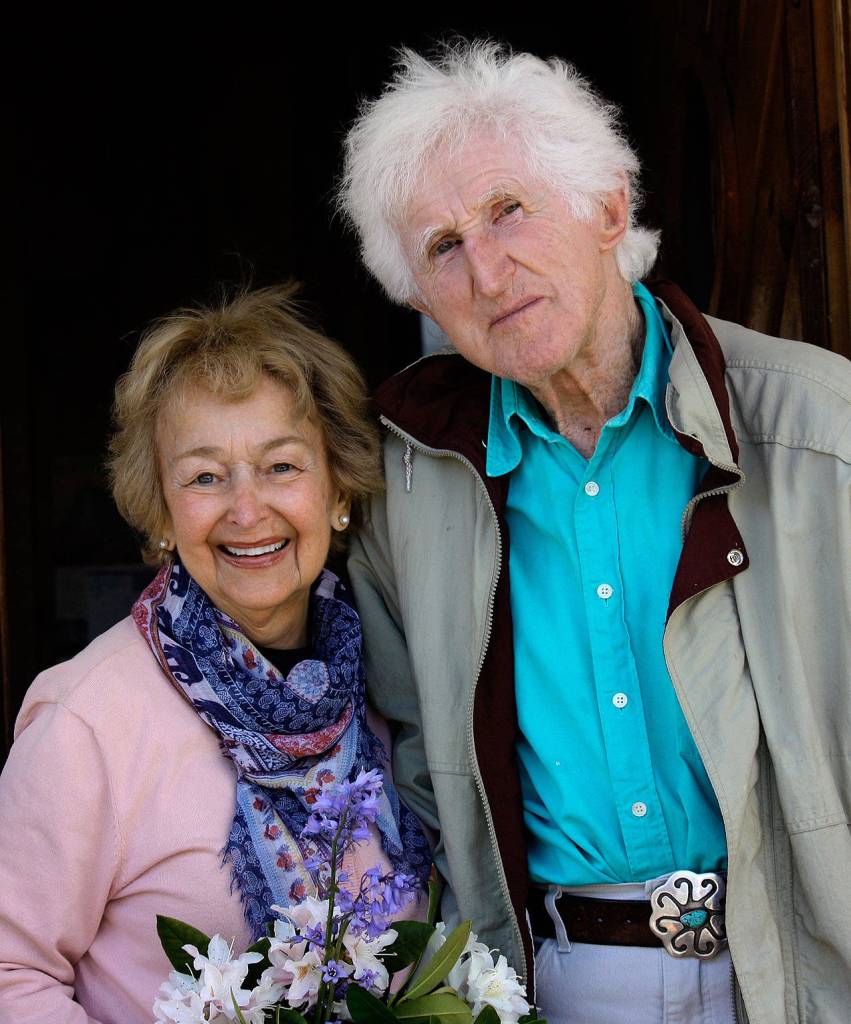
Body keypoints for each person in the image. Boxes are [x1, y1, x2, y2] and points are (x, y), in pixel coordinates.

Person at [338, 40, 851, 1024]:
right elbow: (408, 774)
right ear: (416, 296)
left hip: (797, 964)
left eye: (508, 210)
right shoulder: (406, 483)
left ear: (607, 209)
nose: (487, 273)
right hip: (564, 981)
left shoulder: (820, 432)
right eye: (442, 247)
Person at [0, 285, 430, 1024]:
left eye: (282, 466)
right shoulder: (88, 718)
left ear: (338, 492)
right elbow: (10, 974)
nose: (246, 508)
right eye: (204, 476)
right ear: (164, 512)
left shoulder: (386, 685)